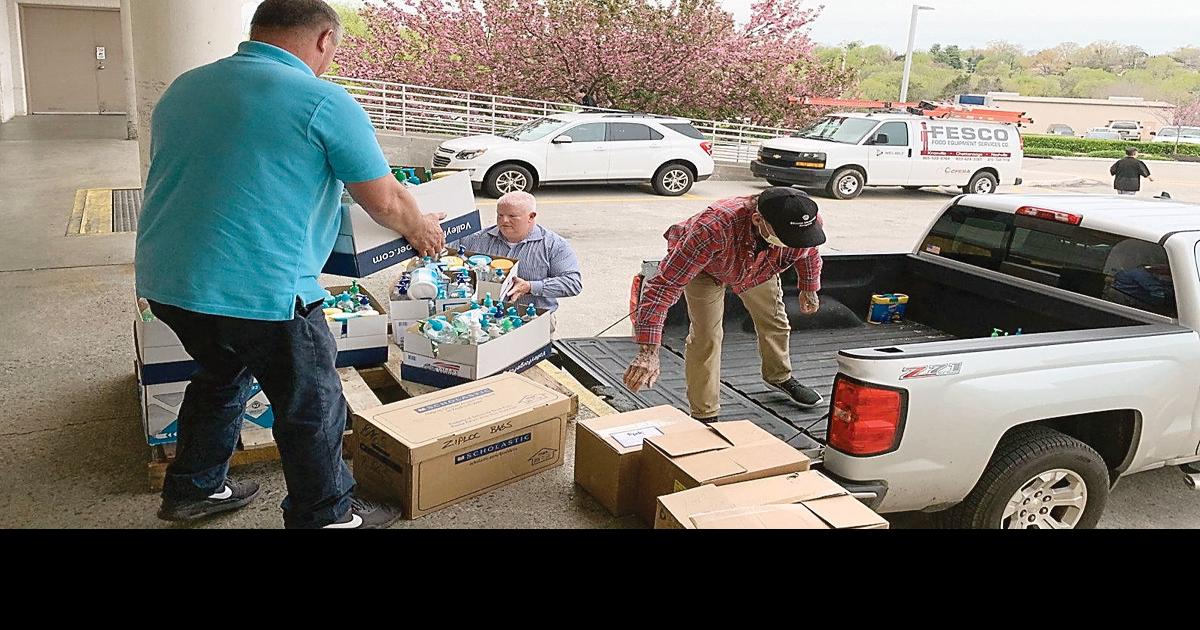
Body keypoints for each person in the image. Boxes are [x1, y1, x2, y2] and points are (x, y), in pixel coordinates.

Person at [135, 0, 446, 529]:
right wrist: (422, 230)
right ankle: (324, 514)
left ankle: (194, 489)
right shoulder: (321, 100)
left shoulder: (184, 87)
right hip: (260, 289)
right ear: (324, 39)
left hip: (170, 282)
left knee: (221, 374)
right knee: (312, 401)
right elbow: (386, 200)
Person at [622, 187, 826, 422]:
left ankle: (778, 376)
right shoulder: (713, 227)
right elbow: (663, 286)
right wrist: (648, 352)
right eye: (787, 239)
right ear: (759, 220)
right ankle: (705, 414)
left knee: (775, 321)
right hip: (706, 269)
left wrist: (809, 287)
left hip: (759, 267)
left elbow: (809, 253)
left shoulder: (805, 222)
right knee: (706, 336)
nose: (794, 244)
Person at [457, 191, 582, 314]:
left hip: (532, 320)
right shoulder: (476, 239)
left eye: (512, 216)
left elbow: (572, 283)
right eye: (500, 215)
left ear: (531, 217)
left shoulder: (554, 245)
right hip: (484, 317)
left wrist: (530, 287)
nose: (504, 220)